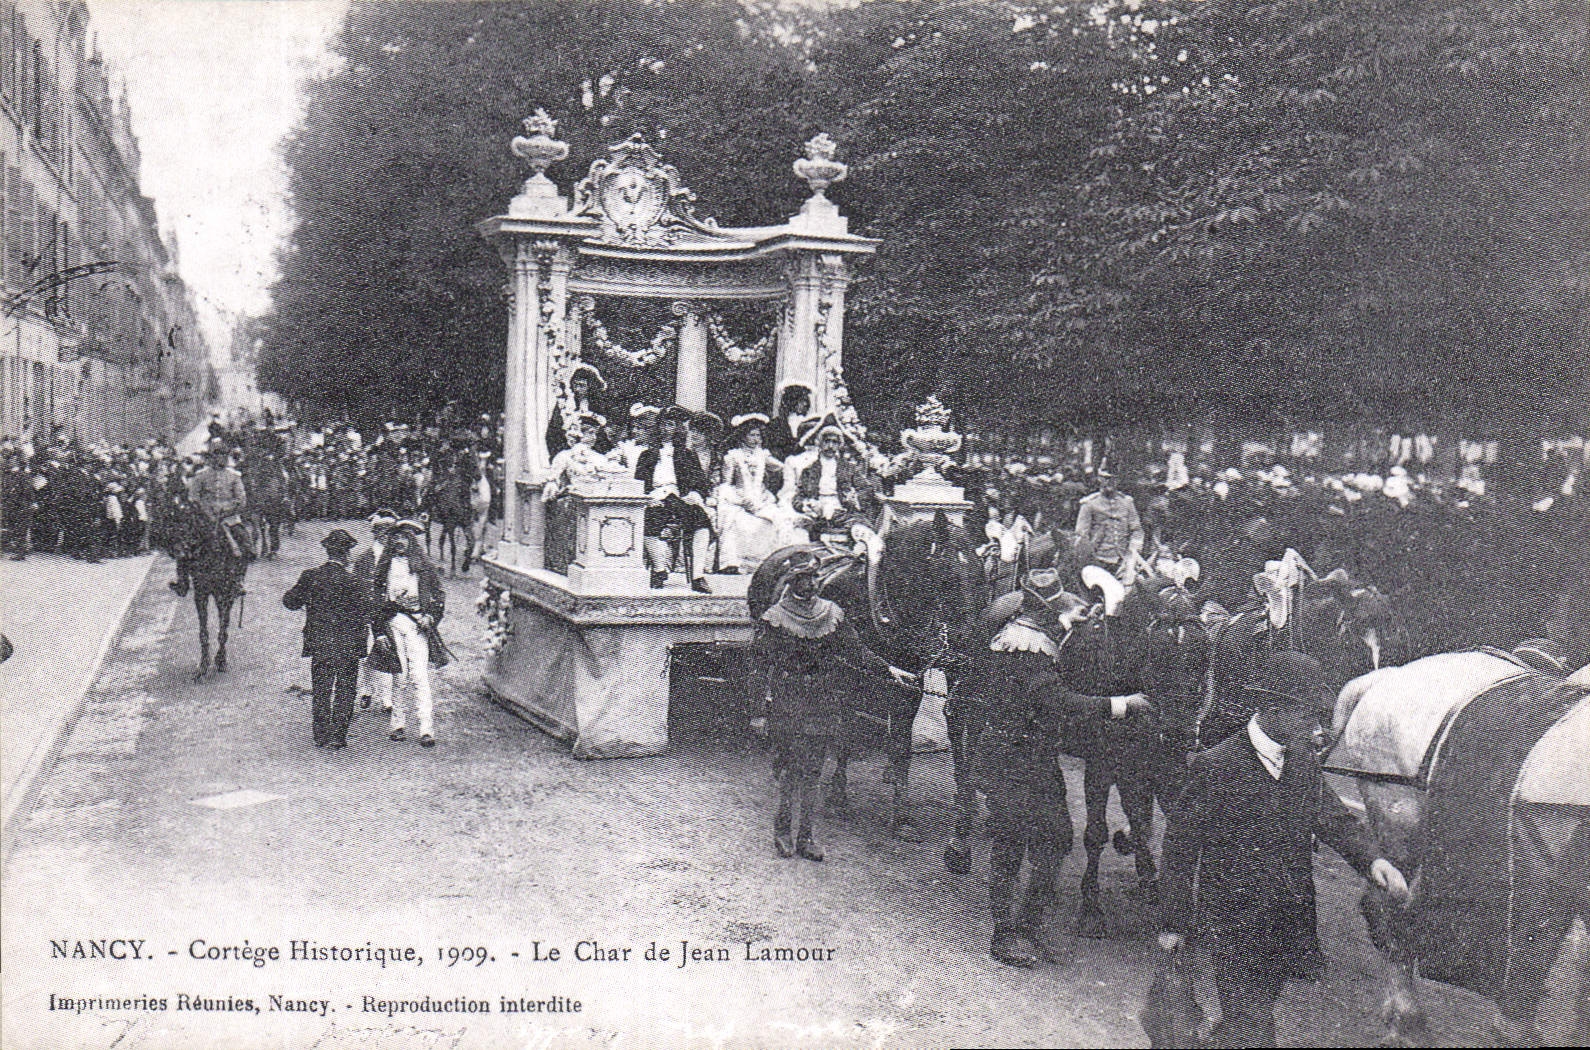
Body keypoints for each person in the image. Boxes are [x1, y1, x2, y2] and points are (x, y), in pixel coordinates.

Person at [1157, 652, 1413, 1047]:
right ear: (1273, 708)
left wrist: (1373, 860)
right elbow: (1178, 851)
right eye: (1308, 716)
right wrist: (1174, 923)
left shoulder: (1302, 763)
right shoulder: (1216, 766)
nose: (1316, 730)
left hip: (1288, 916)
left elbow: (1335, 820)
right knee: (1254, 1024)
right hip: (1233, 921)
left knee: (1256, 1008)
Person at [970, 570, 1151, 967]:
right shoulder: (1025, 648)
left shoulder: (1033, 635)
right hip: (1012, 761)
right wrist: (1121, 704)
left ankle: (1030, 924)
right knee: (1010, 847)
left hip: (1035, 759)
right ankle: (1004, 934)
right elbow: (1057, 701)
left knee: (1055, 840)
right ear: (1042, 609)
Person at [756, 550, 915, 861]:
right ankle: (782, 830)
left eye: (814, 579)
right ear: (791, 583)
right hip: (789, 701)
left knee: (814, 770)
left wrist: (890, 669)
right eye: (803, 580)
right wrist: (759, 712)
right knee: (790, 770)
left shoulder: (831, 613)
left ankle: (806, 837)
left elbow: (857, 650)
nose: (811, 585)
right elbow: (757, 667)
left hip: (823, 701)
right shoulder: (774, 618)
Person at [282, 528, 371, 749]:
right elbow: (368, 612)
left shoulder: (310, 576)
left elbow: (290, 602)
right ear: (348, 554)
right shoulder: (356, 582)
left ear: (327, 552)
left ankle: (320, 734)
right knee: (346, 688)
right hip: (348, 645)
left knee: (321, 687)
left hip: (320, 642)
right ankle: (338, 735)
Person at [372, 519, 450, 747]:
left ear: (411, 541)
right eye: (395, 538)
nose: (399, 542)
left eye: (404, 538)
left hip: (418, 625)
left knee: (419, 676)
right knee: (400, 675)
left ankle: (426, 728)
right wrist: (379, 633)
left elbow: (439, 596)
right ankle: (397, 725)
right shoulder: (384, 567)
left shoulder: (424, 567)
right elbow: (375, 602)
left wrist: (431, 616)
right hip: (393, 623)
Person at [635, 406, 714, 592]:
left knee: (701, 520)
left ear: (678, 428)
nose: (665, 429)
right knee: (647, 520)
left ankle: (697, 576)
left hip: (678, 498)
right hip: (654, 498)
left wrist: (693, 495)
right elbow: (638, 483)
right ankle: (659, 568)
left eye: (670, 425)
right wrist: (646, 498)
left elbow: (699, 483)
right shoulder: (646, 455)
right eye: (662, 425)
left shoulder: (687, 454)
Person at [715, 413, 800, 574]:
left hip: (761, 498)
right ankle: (733, 562)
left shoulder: (763, 454)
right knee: (732, 520)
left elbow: (783, 467)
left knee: (780, 519)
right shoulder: (733, 456)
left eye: (758, 435)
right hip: (739, 497)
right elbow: (726, 484)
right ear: (743, 436)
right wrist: (740, 499)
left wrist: (795, 468)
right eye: (752, 435)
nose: (756, 439)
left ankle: (778, 561)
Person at [171, 438, 248, 596]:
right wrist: (206, 511)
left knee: (247, 546)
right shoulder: (200, 476)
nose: (220, 459)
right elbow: (193, 497)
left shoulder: (234, 476)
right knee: (183, 546)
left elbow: (241, 501)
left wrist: (225, 510)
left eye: (223, 455)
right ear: (210, 458)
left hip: (229, 520)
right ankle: (182, 582)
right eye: (216, 455)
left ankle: (239, 580)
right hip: (204, 519)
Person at [792, 415, 873, 540]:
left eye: (834, 442)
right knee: (799, 534)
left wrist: (855, 499)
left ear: (839, 445)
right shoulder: (808, 470)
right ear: (820, 443)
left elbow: (866, 489)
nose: (830, 446)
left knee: (863, 533)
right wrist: (806, 505)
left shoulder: (848, 468)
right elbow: (798, 497)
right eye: (827, 441)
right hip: (818, 515)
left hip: (844, 512)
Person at [354, 509, 398, 714]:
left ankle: (387, 698)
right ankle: (366, 689)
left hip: (389, 612)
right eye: (382, 531)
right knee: (366, 654)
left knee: (389, 652)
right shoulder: (364, 559)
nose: (386, 535)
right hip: (367, 612)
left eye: (390, 531)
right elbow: (356, 587)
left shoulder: (397, 558)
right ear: (376, 533)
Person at [1075, 462, 1144, 582]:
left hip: (1124, 560)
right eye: (1105, 478)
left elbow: (1136, 530)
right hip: (1099, 560)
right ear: (1099, 479)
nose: (1109, 482)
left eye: (1113, 479)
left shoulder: (1127, 503)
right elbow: (1082, 535)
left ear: (1117, 481)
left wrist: (1132, 553)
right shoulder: (1089, 504)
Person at [767, 385, 813, 463]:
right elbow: (773, 450)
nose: (805, 404)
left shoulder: (808, 424)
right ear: (791, 401)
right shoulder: (776, 424)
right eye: (801, 401)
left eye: (806, 400)